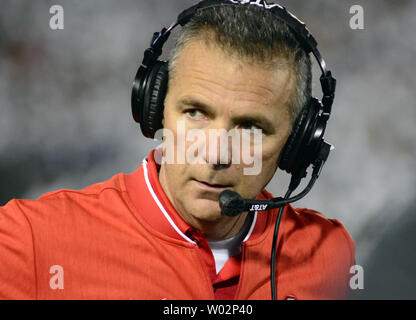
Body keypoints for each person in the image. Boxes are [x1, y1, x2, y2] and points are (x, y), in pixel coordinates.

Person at [0, 0, 355, 300]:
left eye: (251, 127)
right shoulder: (27, 240)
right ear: (157, 109)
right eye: (196, 112)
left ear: (297, 144)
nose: (216, 154)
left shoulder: (326, 253)